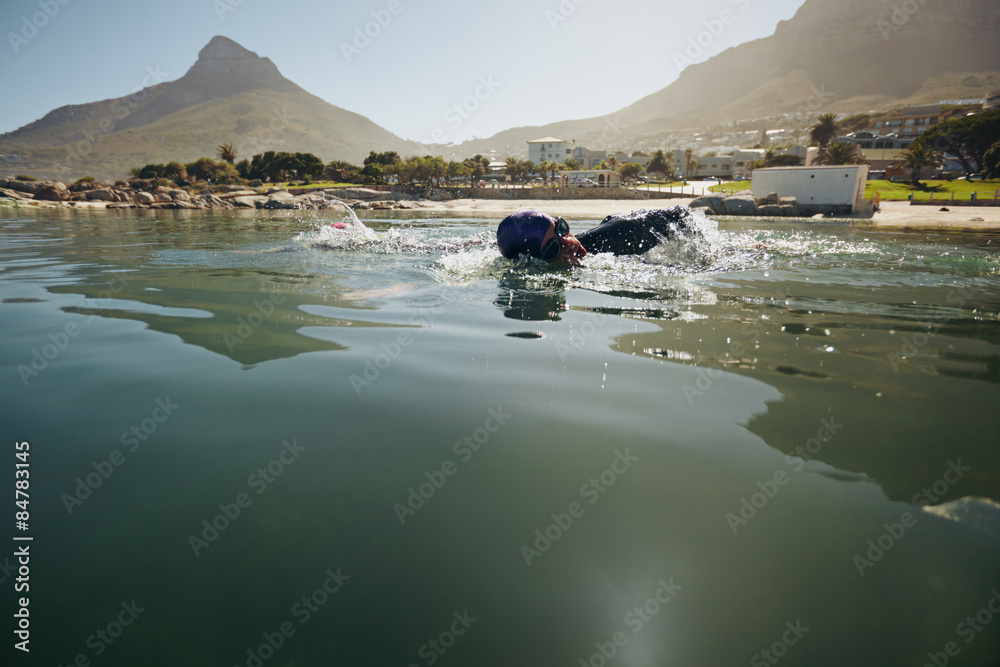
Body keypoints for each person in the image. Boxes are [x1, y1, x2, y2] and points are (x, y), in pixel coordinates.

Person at [496, 207, 699, 266]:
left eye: (562, 229)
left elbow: (681, 214)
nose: (570, 243)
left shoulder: (622, 236)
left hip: (624, 225)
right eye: (553, 249)